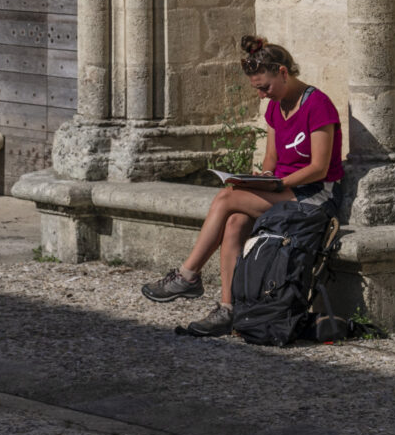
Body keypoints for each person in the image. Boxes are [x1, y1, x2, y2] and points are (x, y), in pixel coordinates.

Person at [140, 34, 344, 336]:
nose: (262, 95)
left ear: (283, 73)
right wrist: (263, 177)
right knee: (235, 222)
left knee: (227, 198)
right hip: (284, 187)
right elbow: (271, 157)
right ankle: (229, 310)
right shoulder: (275, 107)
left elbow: (319, 168)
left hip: (316, 195)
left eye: (264, 87)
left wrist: (277, 184)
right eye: (257, 89)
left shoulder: (318, 104)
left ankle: (188, 275)